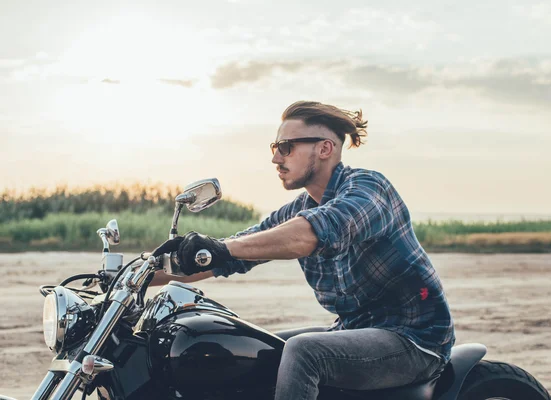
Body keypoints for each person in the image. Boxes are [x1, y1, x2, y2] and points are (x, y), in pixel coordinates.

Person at [152, 101, 455, 400]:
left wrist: (222, 248)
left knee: (303, 352)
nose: (275, 158)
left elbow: (316, 231)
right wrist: (138, 274)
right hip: (351, 329)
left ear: (324, 149)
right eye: (275, 146)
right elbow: (238, 250)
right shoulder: (299, 209)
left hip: (414, 339)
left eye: (286, 147)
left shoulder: (369, 188)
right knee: (251, 348)